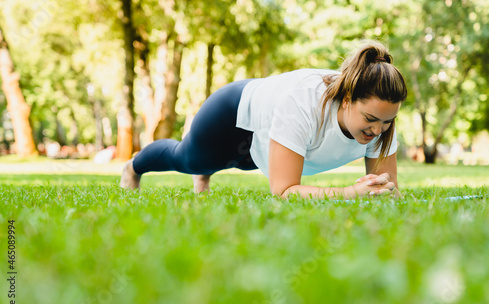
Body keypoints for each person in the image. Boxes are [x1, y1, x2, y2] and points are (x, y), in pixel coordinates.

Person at [120, 40, 407, 199]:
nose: (378, 130)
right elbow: (284, 190)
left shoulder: (383, 121)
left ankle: (206, 171)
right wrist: (351, 192)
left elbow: (389, 189)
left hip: (265, 136)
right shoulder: (304, 102)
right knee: (186, 159)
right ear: (347, 99)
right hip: (233, 118)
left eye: (386, 122)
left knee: (244, 163)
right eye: (370, 119)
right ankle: (133, 168)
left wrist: (382, 192)